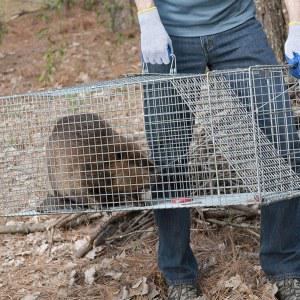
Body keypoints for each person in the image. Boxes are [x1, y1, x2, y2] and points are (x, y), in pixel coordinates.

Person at [134, 0, 300, 299]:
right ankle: (178, 275)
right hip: (168, 32)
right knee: (167, 155)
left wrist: (297, 26)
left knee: (281, 143)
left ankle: (285, 267)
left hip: (238, 29)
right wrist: (147, 17)